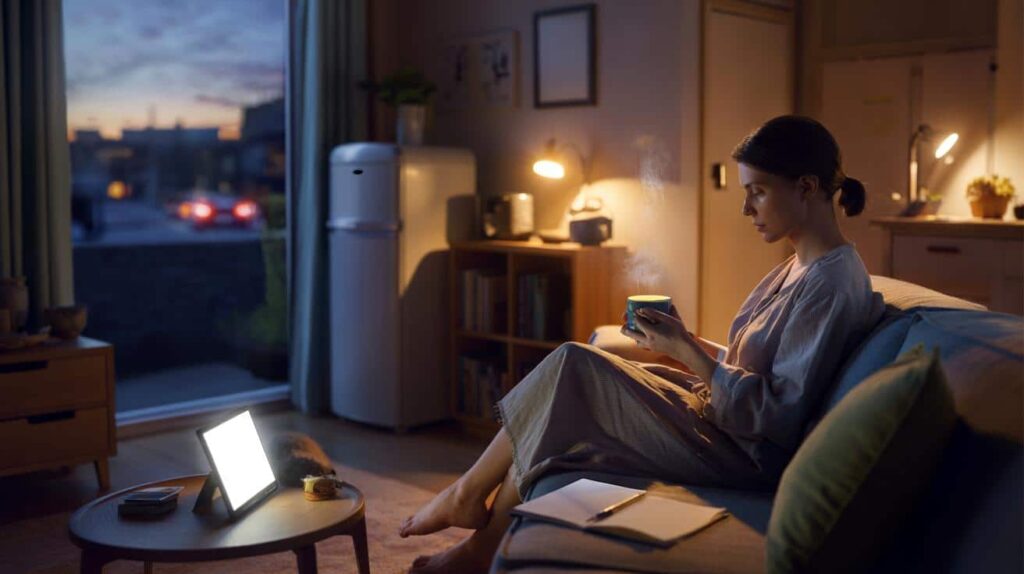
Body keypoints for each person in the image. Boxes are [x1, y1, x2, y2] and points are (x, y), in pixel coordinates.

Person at [399, 115, 885, 573]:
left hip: (746, 455)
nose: (745, 208)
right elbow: (754, 367)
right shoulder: (799, 263)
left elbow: (777, 413)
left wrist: (688, 353)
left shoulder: (832, 284)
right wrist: (684, 341)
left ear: (806, 187)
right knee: (562, 400)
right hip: (721, 421)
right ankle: (478, 547)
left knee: (573, 364)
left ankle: (468, 499)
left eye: (757, 192)